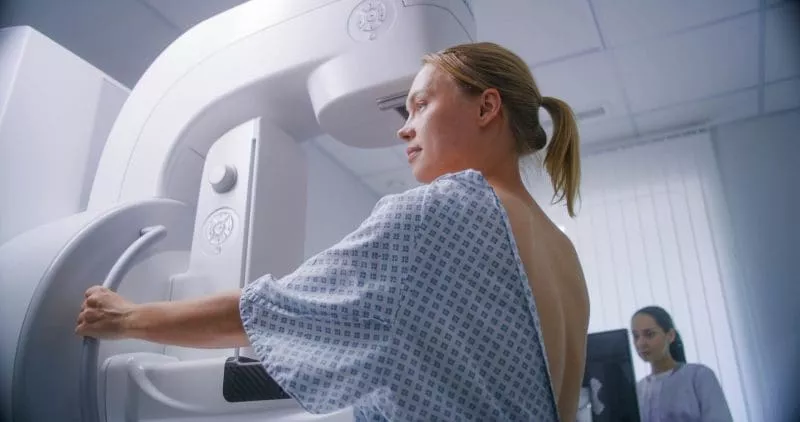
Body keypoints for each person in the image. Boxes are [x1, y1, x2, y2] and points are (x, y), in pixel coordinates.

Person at [76, 42, 590, 421]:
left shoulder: (443, 211)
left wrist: (130, 317)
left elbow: (267, 312)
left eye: (421, 105)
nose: (403, 127)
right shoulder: (564, 253)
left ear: (486, 107)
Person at [631, 306, 733, 422]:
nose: (641, 343)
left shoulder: (698, 376)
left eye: (649, 334)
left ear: (670, 335)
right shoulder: (637, 391)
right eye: (636, 336)